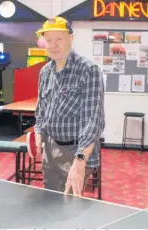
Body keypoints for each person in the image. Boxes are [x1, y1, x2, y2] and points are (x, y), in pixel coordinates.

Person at [34, 16, 105, 197]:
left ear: (71, 39)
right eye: (49, 40)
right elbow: (41, 108)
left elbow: (93, 120)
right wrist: (38, 132)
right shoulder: (45, 72)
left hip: (76, 151)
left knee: (69, 208)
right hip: (51, 149)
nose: (53, 45)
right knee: (50, 202)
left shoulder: (88, 70)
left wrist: (80, 160)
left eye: (59, 39)